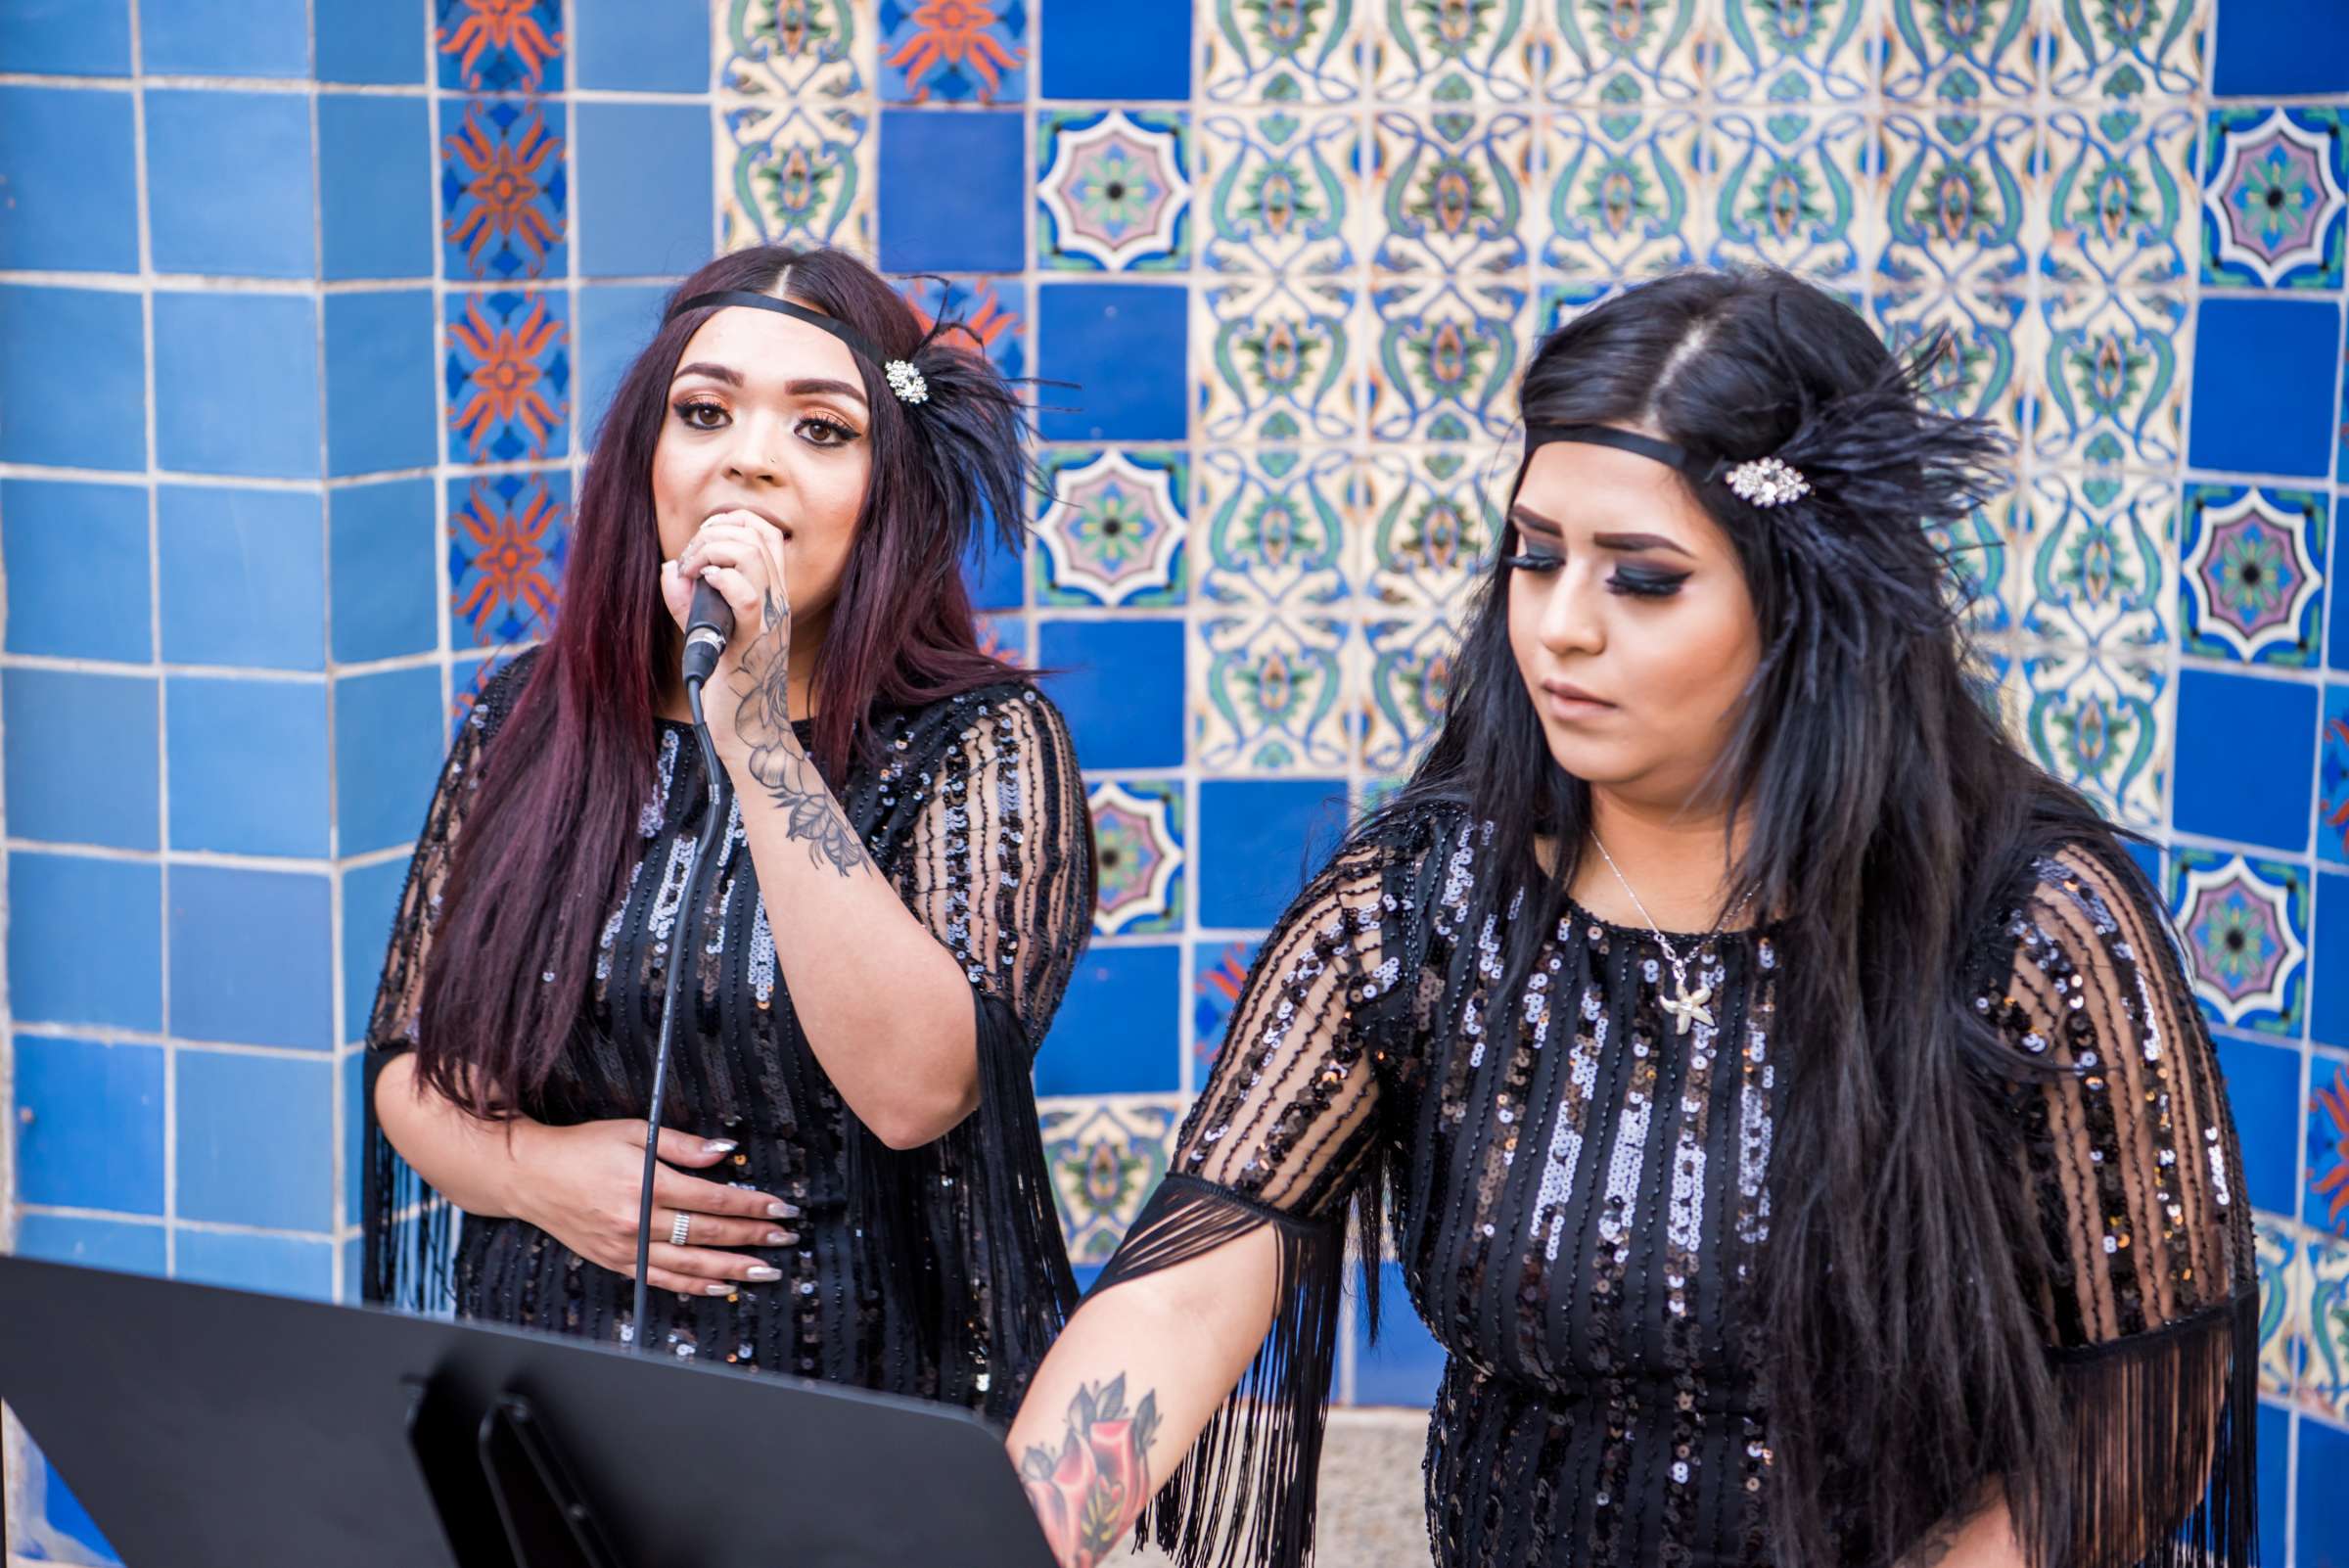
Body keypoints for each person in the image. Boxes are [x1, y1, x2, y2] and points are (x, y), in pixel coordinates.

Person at [1004, 267, 2257, 1568]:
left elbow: (2145, 1401)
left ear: (1808, 604)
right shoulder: (1417, 912)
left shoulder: (2030, 926)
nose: (1559, 628)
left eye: (1643, 580)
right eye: (1536, 556)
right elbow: (1199, 1273)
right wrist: (1017, 1539)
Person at [363, 244, 1092, 1420]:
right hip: (547, 1403)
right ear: (647, 463)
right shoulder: (525, 718)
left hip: (846, 1414)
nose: (750, 458)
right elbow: (406, 1064)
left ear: (888, 492)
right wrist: (531, 1175)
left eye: (821, 429)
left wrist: (751, 730)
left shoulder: (982, 744)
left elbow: (918, 1092)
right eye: (704, 413)